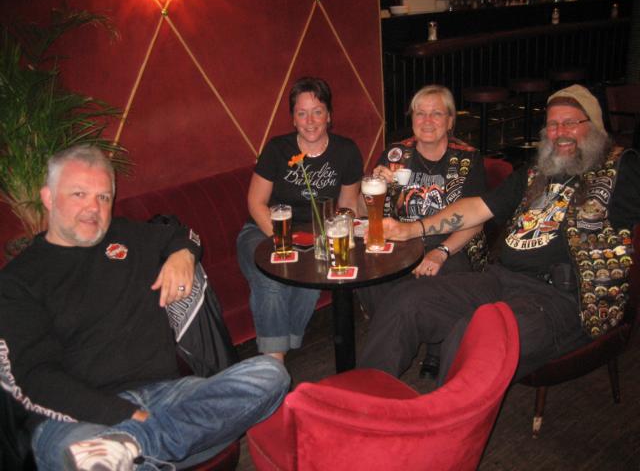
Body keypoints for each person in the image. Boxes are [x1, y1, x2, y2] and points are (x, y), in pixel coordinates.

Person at [0, 145, 290, 470]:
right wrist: (126, 414)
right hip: (77, 420)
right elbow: (36, 380)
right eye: (79, 194)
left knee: (271, 374)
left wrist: (183, 255)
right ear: (49, 197)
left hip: (168, 396)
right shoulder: (18, 280)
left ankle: (135, 446)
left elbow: (185, 234)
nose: (93, 208)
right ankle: (140, 449)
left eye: (103, 197)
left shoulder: (125, 234)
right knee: (79, 458)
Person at [359, 84, 640, 385]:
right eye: (552, 124)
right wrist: (412, 229)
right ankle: (366, 396)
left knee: (474, 335)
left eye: (570, 122)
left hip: (563, 299)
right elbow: (476, 208)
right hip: (502, 278)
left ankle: (447, 412)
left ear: (594, 126)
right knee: (406, 300)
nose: (560, 132)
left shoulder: (621, 169)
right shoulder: (536, 172)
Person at [356, 85, 486, 377]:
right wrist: (375, 187)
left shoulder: (468, 159)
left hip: (451, 244)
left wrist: (440, 252)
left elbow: (476, 221)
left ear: (450, 121)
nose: (427, 121)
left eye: (436, 113)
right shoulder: (395, 154)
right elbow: (364, 211)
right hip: (401, 241)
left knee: (448, 273)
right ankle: (390, 334)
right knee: (370, 272)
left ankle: (438, 346)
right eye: (420, 113)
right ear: (412, 118)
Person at [237, 76, 363, 361]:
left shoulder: (346, 151)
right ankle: (274, 362)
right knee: (271, 277)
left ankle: (287, 341)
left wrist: (330, 241)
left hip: (314, 236)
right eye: (302, 113)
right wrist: (283, 241)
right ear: (293, 119)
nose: (310, 121)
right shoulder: (277, 149)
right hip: (263, 230)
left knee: (311, 278)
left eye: (317, 111)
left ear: (329, 115)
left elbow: (347, 207)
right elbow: (256, 202)